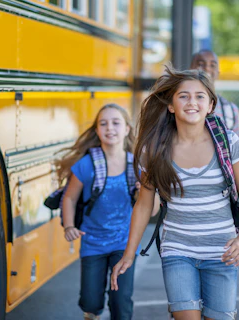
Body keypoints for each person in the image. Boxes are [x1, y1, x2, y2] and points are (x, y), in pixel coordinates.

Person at [110, 66, 239, 320]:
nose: (192, 102)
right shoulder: (155, 149)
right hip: (178, 251)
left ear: (211, 105)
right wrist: (129, 254)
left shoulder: (227, 142)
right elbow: (144, 205)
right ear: (170, 105)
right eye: (184, 96)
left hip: (222, 252)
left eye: (200, 96)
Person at [57, 103, 150, 320]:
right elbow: (69, 198)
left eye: (116, 123)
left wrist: (141, 193)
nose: (110, 128)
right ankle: (92, 314)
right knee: (90, 301)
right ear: (97, 130)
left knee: (121, 300)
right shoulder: (86, 164)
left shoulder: (136, 165)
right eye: (103, 123)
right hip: (93, 242)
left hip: (124, 243)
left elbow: (149, 206)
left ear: (127, 128)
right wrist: (69, 225)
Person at [190, 49, 239, 138]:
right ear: (190, 69)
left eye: (212, 65)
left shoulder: (230, 110)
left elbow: (236, 148)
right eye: (201, 64)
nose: (207, 68)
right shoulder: (180, 105)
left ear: (218, 72)